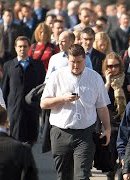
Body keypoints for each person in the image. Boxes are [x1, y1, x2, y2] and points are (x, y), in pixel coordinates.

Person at [40, 44, 111, 180]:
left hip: (85, 134)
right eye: (73, 62)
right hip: (60, 132)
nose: (76, 65)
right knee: (63, 176)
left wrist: (107, 129)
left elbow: (101, 106)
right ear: (68, 59)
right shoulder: (57, 76)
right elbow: (43, 104)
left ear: (85, 59)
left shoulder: (95, 78)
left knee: (82, 176)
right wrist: (62, 99)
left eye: (79, 62)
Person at [2, 36, 45, 145]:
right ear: (15, 48)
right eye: (20, 46)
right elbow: (5, 89)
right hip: (15, 109)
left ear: (29, 48)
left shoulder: (38, 65)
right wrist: (5, 111)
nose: (22, 49)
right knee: (15, 138)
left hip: (32, 108)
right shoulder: (8, 65)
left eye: (25, 46)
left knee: (31, 139)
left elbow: (42, 87)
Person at [102, 52, 130, 180]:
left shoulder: (129, 79)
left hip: (126, 124)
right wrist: (107, 82)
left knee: (125, 159)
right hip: (110, 123)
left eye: (116, 66)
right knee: (111, 159)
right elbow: (100, 100)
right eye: (109, 66)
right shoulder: (102, 80)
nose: (113, 69)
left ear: (120, 66)